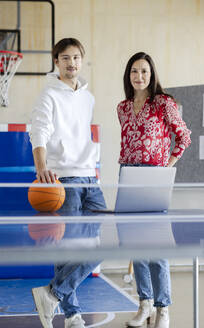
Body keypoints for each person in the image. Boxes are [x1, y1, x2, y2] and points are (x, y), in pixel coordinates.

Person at [29, 38, 106, 328]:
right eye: (65, 58)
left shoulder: (89, 97)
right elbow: (38, 131)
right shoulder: (48, 95)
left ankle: (52, 294)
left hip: (91, 177)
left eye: (76, 57)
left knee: (100, 244)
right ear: (56, 61)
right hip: (64, 179)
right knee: (68, 249)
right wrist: (41, 169)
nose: (71, 63)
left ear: (81, 60)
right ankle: (72, 314)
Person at [117, 52, 191, 328]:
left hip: (154, 176)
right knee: (136, 245)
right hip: (127, 174)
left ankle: (163, 308)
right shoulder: (122, 108)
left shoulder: (163, 103)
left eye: (144, 72)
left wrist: (166, 167)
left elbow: (183, 137)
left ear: (152, 74)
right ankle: (144, 303)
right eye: (134, 71)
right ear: (129, 75)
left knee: (157, 246)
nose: (139, 77)